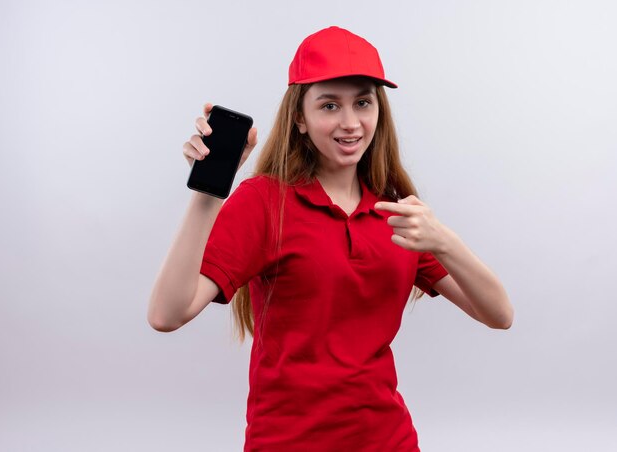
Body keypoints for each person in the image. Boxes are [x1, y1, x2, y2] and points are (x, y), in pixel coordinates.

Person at [148, 26, 513, 452]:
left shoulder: (395, 212)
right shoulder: (266, 202)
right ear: (299, 118)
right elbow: (166, 314)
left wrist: (443, 240)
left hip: (389, 441)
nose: (350, 122)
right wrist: (210, 191)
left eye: (363, 102)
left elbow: (499, 314)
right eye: (329, 105)